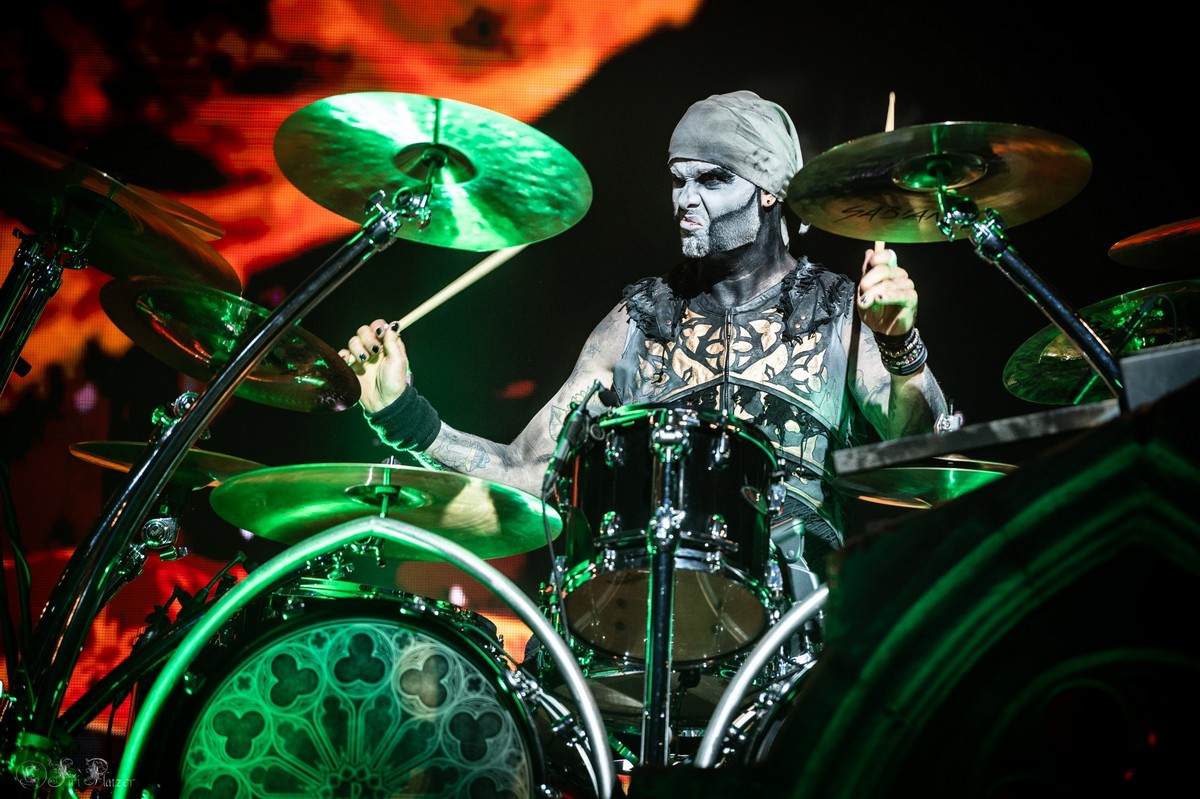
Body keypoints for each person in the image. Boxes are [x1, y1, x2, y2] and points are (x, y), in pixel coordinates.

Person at [339, 89, 948, 604]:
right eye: (677, 180)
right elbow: (526, 474)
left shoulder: (840, 311)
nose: (685, 201)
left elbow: (925, 452)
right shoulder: (636, 322)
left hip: (800, 627)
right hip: (647, 617)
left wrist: (900, 341)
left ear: (769, 191)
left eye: (711, 180)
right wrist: (407, 419)